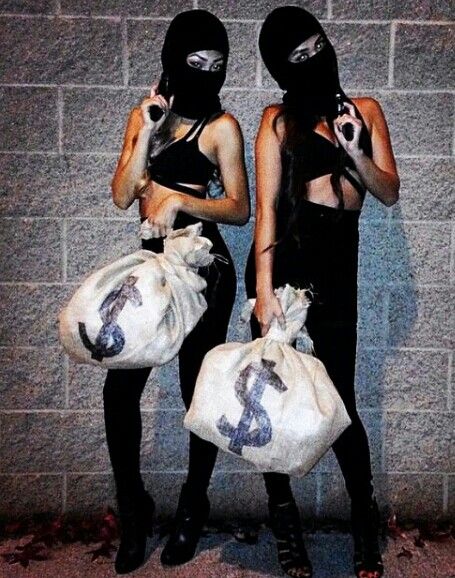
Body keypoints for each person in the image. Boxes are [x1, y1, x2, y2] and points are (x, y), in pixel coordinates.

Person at [244, 7, 399, 578]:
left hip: (338, 277)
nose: (314, 62)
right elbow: (264, 218)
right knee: (273, 404)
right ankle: (286, 529)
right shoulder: (276, 122)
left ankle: (364, 515)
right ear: (281, 69)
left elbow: (386, 192)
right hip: (285, 273)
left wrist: (356, 150)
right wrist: (263, 294)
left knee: (342, 407)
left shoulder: (366, 111)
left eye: (318, 48)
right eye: (298, 58)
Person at [104, 9, 249, 574]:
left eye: (217, 67)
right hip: (151, 265)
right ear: (172, 62)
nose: (207, 76)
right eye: (196, 65)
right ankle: (134, 507)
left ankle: (194, 504)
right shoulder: (145, 118)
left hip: (203, 267)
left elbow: (239, 208)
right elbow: (122, 195)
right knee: (121, 390)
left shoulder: (222, 128)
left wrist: (186, 200)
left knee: (197, 392)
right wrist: (146, 125)